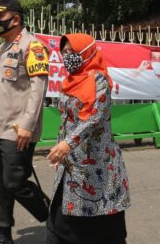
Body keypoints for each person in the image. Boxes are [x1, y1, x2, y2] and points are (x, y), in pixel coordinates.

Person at [45, 33, 131, 244]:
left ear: (86, 52)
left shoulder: (99, 80)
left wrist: (67, 144)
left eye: (71, 52)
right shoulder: (69, 81)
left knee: (102, 222)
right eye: (64, 52)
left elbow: (95, 117)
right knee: (61, 222)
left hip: (98, 162)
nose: (67, 56)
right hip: (72, 162)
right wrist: (60, 149)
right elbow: (66, 120)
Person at [0, 0, 50, 244]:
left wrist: (27, 125)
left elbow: (38, 88)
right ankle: (3, 233)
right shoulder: (2, 49)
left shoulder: (32, 46)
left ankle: (53, 216)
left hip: (18, 129)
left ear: (16, 19)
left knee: (15, 182)